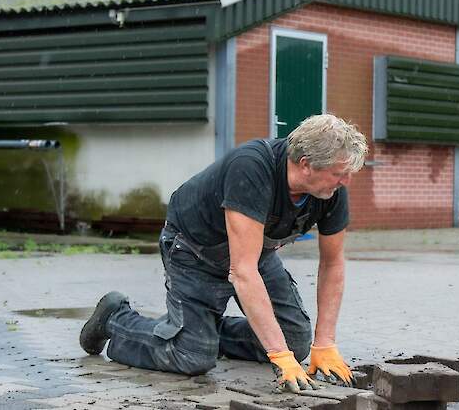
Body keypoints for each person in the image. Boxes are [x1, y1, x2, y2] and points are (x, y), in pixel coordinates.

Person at [79, 114, 369, 393]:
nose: (345, 181)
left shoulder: (330, 192)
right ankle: (116, 319)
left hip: (256, 256)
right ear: (306, 165)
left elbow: (332, 264)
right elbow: (242, 272)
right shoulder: (252, 168)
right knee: (193, 356)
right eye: (339, 174)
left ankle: (199, 329)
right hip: (194, 252)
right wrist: (279, 355)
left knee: (296, 341)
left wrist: (325, 343)